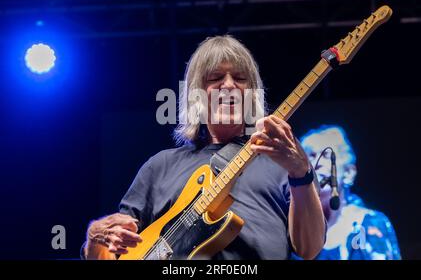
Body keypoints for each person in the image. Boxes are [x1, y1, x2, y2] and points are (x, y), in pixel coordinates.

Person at [82, 35, 326, 260]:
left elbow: (309, 248)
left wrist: (300, 172)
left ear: (252, 94)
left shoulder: (283, 163)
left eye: (240, 78)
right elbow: (111, 251)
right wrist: (94, 238)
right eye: (215, 78)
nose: (229, 85)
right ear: (196, 93)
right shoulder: (160, 166)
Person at [300, 125, 401, 260]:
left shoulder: (369, 223)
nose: (317, 163)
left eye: (326, 155)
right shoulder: (297, 231)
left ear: (348, 173)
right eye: (311, 156)